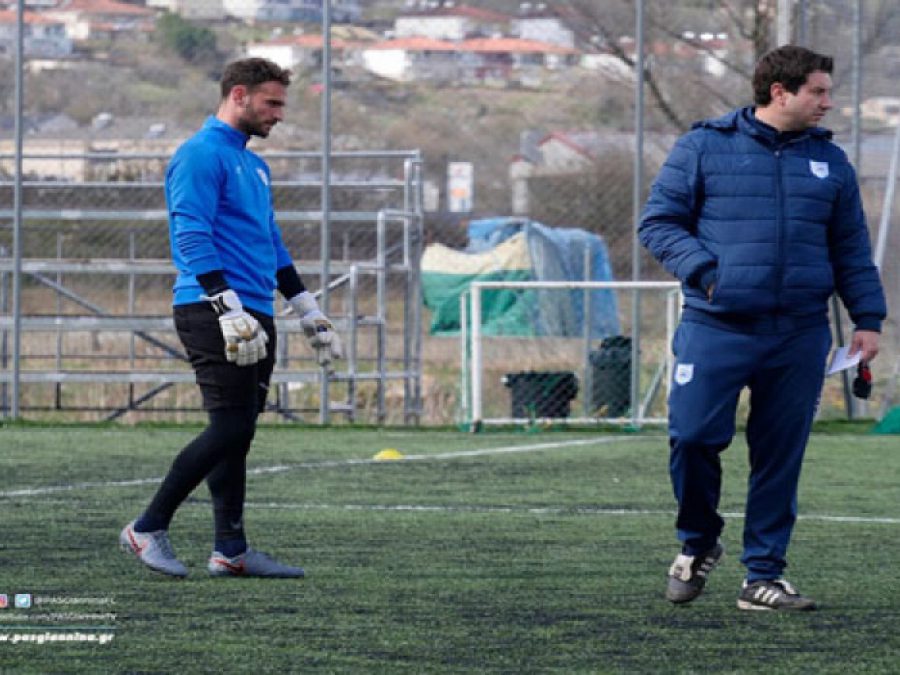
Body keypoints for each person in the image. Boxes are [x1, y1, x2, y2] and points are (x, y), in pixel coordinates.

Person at [639, 45, 886, 610]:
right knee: (695, 437)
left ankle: (764, 576)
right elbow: (658, 223)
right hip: (715, 325)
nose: (828, 102)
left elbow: (851, 249)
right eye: (818, 92)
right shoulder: (703, 146)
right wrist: (705, 274)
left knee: (780, 454)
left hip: (799, 333)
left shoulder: (832, 163)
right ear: (781, 92)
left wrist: (867, 319)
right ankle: (698, 543)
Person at [119, 58, 342, 578]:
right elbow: (190, 233)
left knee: (239, 431)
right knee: (231, 425)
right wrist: (223, 302)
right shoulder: (199, 155)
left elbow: (270, 243)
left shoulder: (254, 165)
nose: (280, 115)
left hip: (252, 310)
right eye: (273, 103)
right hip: (213, 308)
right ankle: (147, 526)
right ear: (238, 95)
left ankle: (231, 550)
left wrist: (306, 307)